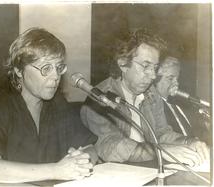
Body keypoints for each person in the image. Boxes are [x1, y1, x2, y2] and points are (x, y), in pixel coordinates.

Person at [0, 27, 98, 185]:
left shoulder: (57, 102)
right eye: (46, 68)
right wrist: (57, 170)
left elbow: (91, 147)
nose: (55, 76)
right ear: (19, 71)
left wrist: (81, 160)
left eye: (58, 67)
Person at [80, 28, 209, 166]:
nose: (153, 76)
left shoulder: (151, 93)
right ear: (123, 64)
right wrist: (161, 152)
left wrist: (189, 142)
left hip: (148, 169)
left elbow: (162, 133)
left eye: (154, 67)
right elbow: (110, 146)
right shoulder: (100, 97)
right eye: (145, 66)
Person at [155, 56, 211, 145]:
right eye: (170, 78)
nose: (176, 83)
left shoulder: (178, 106)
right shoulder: (153, 107)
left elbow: (201, 134)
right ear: (155, 78)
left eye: (177, 79)